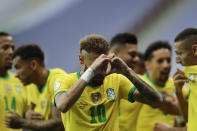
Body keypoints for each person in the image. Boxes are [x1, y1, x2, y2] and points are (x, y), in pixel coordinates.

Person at [54, 34, 163, 131]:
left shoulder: (116, 80)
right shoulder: (65, 80)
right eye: (96, 64)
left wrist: (127, 71)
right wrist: (91, 71)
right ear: (81, 60)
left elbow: (156, 101)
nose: (101, 70)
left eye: (104, 64)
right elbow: (62, 105)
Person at [6, 44, 65, 131]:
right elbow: (29, 113)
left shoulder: (58, 80)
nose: (16, 75)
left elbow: (60, 124)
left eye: (18, 67)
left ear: (33, 65)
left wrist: (22, 122)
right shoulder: (30, 85)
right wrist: (27, 115)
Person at [136, 41, 181, 131]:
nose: (166, 65)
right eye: (160, 61)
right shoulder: (137, 83)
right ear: (147, 64)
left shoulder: (177, 85)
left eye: (168, 60)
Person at [110, 33, 142, 131]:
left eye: (137, 55)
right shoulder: (94, 81)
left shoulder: (140, 83)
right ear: (115, 54)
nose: (137, 59)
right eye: (132, 55)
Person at [0, 32, 28, 131]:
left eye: (12, 48)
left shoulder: (19, 81)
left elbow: (26, 117)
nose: (11, 52)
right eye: (5, 48)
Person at [173, 28, 197, 131]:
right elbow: (190, 119)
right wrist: (178, 92)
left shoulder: (191, 73)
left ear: (195, 50)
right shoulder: (192, 78)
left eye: (180, 54)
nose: (177, 60)